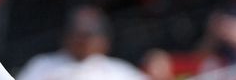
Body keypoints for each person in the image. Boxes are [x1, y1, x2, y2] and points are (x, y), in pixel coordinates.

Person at [16, 5, 146, 80]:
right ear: (66, 36)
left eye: (89, 35)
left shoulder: (120, 72)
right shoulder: (42, 65)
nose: (82, 41)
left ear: (104, 40)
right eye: (78, 34)